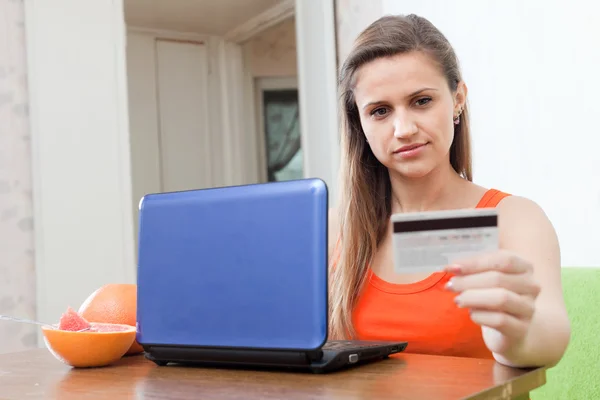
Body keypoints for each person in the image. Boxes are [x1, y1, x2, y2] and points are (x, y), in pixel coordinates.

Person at [328, 14, 570, 368]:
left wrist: (513, 333)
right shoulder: (335, 230)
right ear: (360, 124)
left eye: (421, 101)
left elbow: (550, 337)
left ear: (458, 99)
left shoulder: (515, 219)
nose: (404, 129)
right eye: (380, 111)